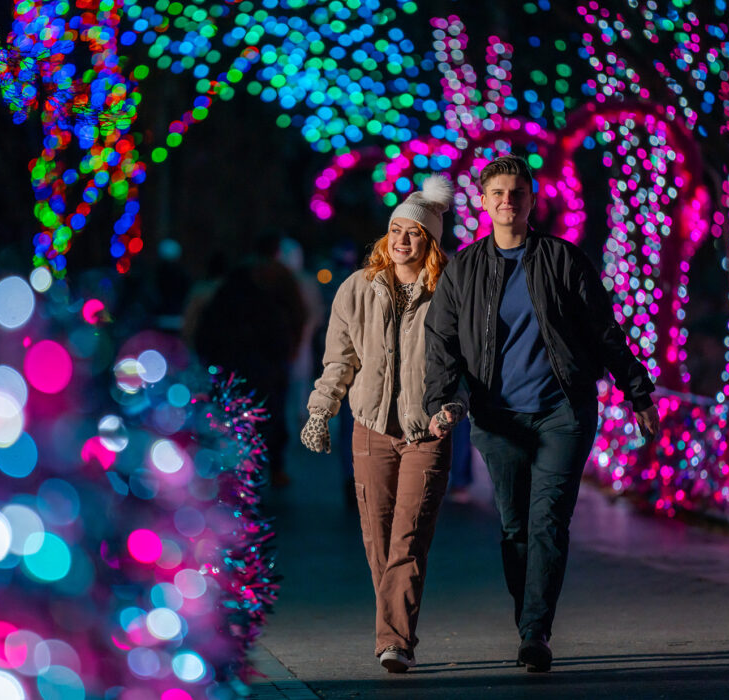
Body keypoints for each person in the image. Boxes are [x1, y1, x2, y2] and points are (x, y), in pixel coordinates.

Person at [424, 155, 660, 673]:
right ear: (483, 203)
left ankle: (535, 632)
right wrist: (441, 402)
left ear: (532, 201)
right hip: (497, 419)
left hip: (562, 412)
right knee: (514, 528)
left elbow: (604, 331)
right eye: (499, 193)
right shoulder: (463, 268)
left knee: (548, 522)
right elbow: (440, 342)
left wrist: (637, 392)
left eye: (518, 193)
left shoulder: (563, 260)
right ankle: (528, 616)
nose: (509, 200)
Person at [300, 175, 457, 673]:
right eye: (394, 229)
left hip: (425, 431)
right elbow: (339, 359)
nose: (402, 239)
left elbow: (471, 357)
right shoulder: (358, 288)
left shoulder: (449, 289)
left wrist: (456, 403)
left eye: (413, 232)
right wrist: (320, 410)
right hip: (369, 428)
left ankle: (394, 641)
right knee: (378, 537)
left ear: (430, 240)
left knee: (409, 537)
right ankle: (395, 630)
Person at [193, 231, 307, 487]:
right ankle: (262, 469)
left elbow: (207, 328)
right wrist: (289, 350)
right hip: (266, 364)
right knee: (268, 418)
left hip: (233, 364)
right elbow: (295, 316)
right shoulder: (279, 282)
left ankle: (238, 472)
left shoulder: (230, 288)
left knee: (234, 417)